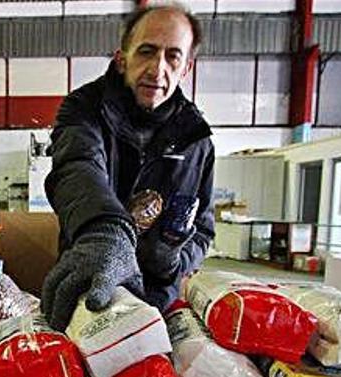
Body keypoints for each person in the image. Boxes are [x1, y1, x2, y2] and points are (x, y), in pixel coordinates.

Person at [41, 3, 215, 330]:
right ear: (122, 58)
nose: (157, 68)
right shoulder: (84, 109)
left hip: (157, 303)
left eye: (172, 56)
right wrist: (105, 232)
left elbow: (203, 228)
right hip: (90, 287)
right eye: (146, 52)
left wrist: (173, 261)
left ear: (186, 68)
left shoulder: (197, 139)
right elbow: (77, 166)